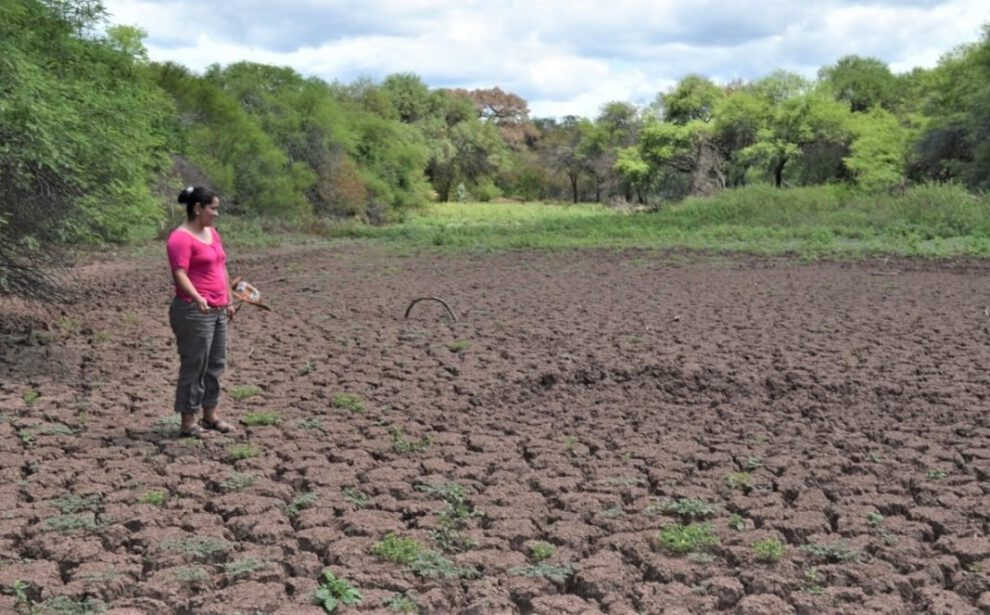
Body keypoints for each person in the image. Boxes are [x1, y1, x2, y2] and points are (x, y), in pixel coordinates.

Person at [166, 186, 237, 437]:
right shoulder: (180, 238)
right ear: (198, 208)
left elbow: (222, 266)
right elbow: (179, 274)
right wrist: (197, 298)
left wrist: (228, 299)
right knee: (195, 364)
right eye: (213, 208)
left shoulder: (212, 234)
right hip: (193, 311)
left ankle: (210, 415)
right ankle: (188, 421)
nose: (216, 214)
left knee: (215, 364)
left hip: (217, 309)